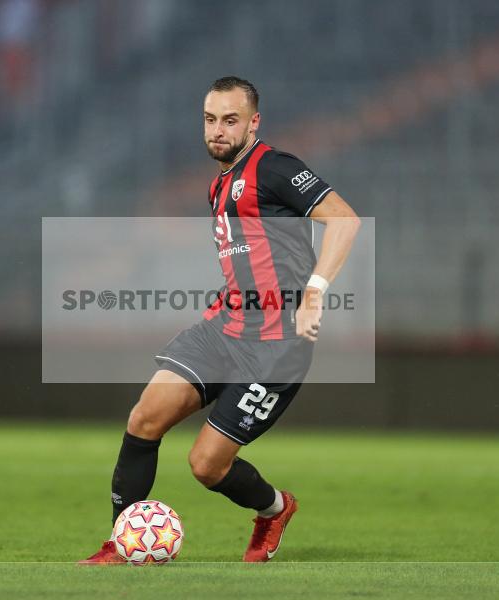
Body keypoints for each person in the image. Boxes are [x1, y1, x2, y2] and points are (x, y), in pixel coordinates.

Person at [80, 76, 361, 564]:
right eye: (210, 120)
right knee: (145, 418)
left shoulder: (274, 167)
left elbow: (345, 220)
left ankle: (275, 509)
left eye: (230, 120)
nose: (218, 130)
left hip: (277, 344)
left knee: (206, 465)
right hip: (223, 328)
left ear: (253, 122)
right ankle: (121, 544)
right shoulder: (218, 185)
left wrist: (314, 292)